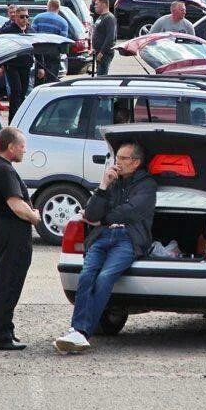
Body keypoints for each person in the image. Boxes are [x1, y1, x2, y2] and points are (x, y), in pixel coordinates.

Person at [53, 141, 157, 353]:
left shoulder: (147, 185)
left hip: (128, 239)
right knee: (86, 276)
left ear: (136, 162)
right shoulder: (112, 182)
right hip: (102, 238)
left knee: (105, 277)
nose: (117, 162)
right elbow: (91, 214)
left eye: (122, 158)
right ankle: (77, 331)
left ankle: (81, 332)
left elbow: (131, 211)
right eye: (116, 157)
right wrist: (102, 185)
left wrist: (103, 220)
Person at [0, 127, 40, 351]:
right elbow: (16, 205)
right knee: (8, 283)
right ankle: (0, 336)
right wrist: (35, 218)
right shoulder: (4, 169)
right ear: (11, 146)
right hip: (11, 229)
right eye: (22, 146)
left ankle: (6, 331)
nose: (24, 150)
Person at [0, 6, 36, 123]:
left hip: (26, 65)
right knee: (16, 91)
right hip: (12, 65)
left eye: (27, 16)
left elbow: (37, 48)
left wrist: (41, 67)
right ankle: (13, 120)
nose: (24, 19)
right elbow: (0, 49)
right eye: (22, 16)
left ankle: (21, 119)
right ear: (15, 17)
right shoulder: (7, 30)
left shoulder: (31, 30)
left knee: (23, 92)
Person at [31, 0, 68, 84]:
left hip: (39, 52)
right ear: (58, 8)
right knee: (51, 80)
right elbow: (63, 39)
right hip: (54, 53)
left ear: (48, 6)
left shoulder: (37, 18)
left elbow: (32, 35)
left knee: (39, 79)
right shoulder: (63, 22)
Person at [92, 0, 117, 76]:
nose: (94, 6)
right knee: (98, 74)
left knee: (101, 76)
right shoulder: (101, 17)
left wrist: (102, 52)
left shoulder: (109, 18)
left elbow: (110, 37)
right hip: (98, 51)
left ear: (103, 5)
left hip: (105, 53)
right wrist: (94, 49)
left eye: (96, 4)